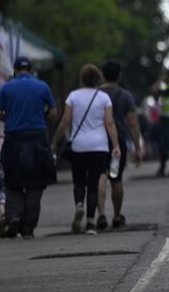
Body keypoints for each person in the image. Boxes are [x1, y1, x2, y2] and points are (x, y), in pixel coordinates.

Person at [0, 56, 57, 239]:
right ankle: (28, 227)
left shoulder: (6, 88)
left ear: (15, 70)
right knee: (36, 184)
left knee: (13, 182)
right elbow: (53, 112)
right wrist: (40, 117)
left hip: (13, 140)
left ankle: (15, 216)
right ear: (31, 70)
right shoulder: (42, 86)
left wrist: (10, 117)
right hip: (37, 139)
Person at [52, 64, 121, 235]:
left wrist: (54, 141)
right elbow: (109, 123)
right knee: (93, 184)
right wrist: (116, 145)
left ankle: (79, 205)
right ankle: (90, 222)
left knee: (79, 182)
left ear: (81, 78)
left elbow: (65, 121)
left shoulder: (73, 97)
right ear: (98, 78)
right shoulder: (104, 98)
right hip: (99, 147)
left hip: (79, 147)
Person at [96, 60, 145, 230]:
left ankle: (101, 214)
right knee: (116, 179)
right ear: (119, 76)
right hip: (118, 144)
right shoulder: (125, 96)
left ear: (102, 74)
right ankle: (116, 216)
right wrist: (138, 148)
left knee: (100, 175)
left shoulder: (95, 94)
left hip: (98, 142)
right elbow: (132, 123)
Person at [151, 64, 169, 176]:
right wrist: (162, 78)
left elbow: (156, 90)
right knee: (164, 145)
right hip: (165, 120)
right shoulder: (166, 89)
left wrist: (162, 78)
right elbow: (153, 90)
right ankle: (164, 168)